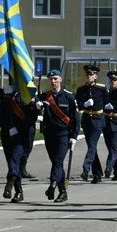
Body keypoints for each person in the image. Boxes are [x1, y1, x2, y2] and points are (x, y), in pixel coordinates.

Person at [0, 77, 38, 202]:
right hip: (6, 133)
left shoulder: (29, 95)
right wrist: (5, 91)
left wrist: (34, 106)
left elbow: (32, 117)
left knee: (14, 161)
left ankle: (9, 186)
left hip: (21, 134)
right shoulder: (7, 92)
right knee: (12, 163)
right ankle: (19, 192)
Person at [36, 69, 78, 202]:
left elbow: (76, 118)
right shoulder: (44, 96)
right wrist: (37, 104)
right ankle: (63, 192)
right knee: (56, 163)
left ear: (60, 79)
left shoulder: (69, 97)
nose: (53, 81)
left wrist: (74, 136)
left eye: (55, 79)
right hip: (49, 134)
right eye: (51, 79)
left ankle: (52, 185)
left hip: (63, 134)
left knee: (58, 161)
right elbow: (33, 104)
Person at [75, 64, 107, 183]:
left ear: (96, 76)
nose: (89, 76)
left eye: (91, 74)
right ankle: (97, 173)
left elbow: (107, 103)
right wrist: (85, 104)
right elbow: (78, 104)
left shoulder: (102, 89)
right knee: (91, 148)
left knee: (92, 145)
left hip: (98, 119)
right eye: (87, 74)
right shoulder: (81, 89)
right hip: (87, 119)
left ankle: (86, 168)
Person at [102, 70, 117, 180]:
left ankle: (108, 167)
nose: (112, 82)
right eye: (111, 80)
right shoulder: (106, 92)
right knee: (111, 148)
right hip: (107, 123)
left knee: (114, 147)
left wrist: (116, 108)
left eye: (115, 80)